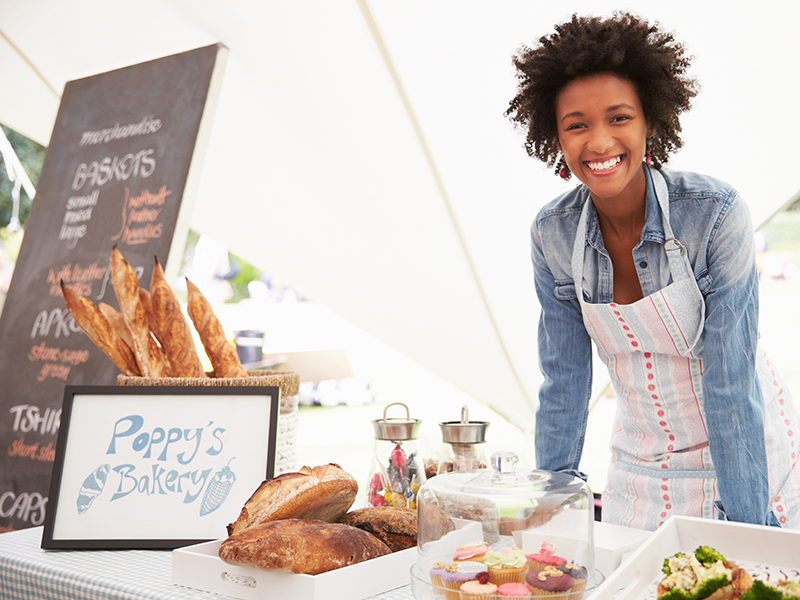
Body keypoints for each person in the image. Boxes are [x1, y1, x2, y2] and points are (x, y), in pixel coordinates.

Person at [506, 12, 800, 530]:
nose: (598, 142)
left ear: (650, 122)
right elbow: (565, 381)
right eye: (577, 125)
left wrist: (749, 530)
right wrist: (548, 516)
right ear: (555, 136)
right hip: (639, 468)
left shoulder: (714, 214)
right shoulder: (552, 234)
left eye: (619, 118)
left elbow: (730, 382)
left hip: (742, 455)